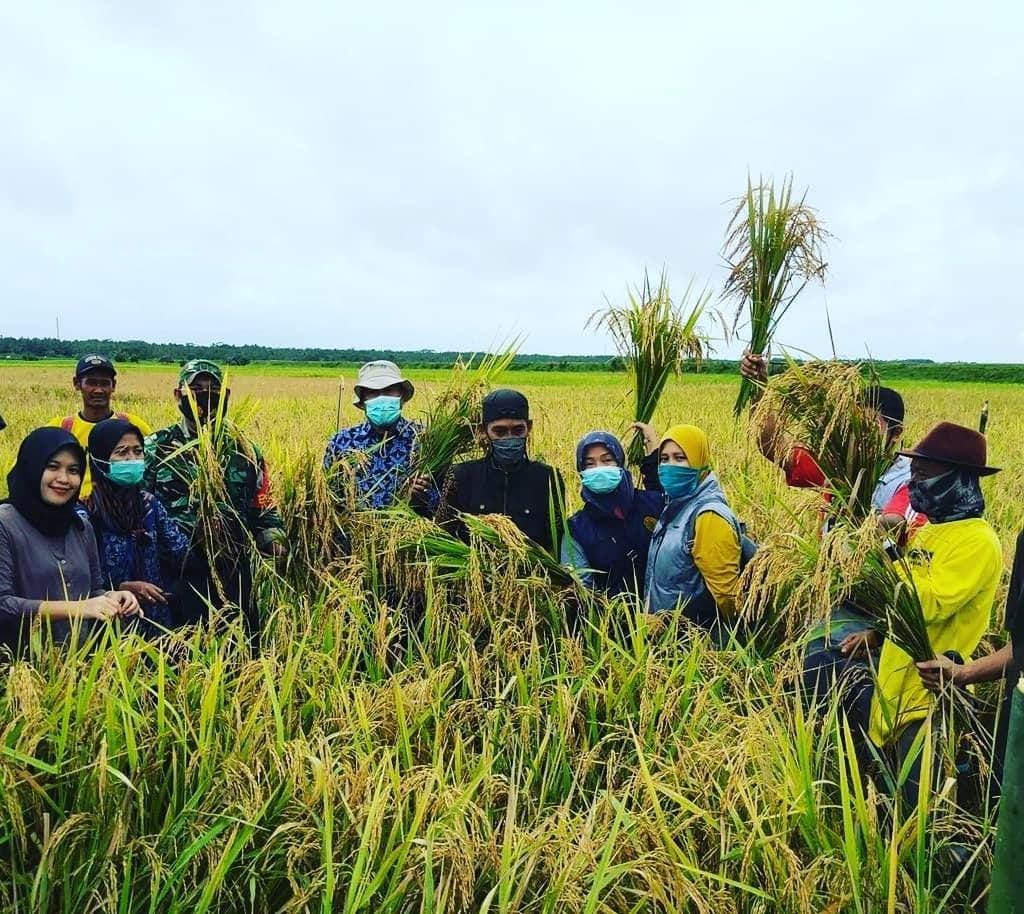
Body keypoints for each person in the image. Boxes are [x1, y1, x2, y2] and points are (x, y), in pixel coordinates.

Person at [852, 423, 1002, 805]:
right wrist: (877, 634)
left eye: (923, 474)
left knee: (919, 810)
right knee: (886, 802)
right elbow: (901, 595)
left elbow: (925, 604)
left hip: (931, 697)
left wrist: (882, 569)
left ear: (957, 479)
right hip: (894, 687)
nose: (912, 483)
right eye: (913, 472)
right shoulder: (927, 531)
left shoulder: (978, 542)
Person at [144, 360, 286, 644]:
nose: (204, 396)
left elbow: (263, 505)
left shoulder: (244, 449)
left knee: (238, 646)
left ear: (226, 396)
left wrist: (273, 539)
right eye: (195, 388)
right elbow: (139, 508)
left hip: (231, 566)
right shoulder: (156, 447)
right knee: (179, 648)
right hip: (175, 569)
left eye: (213, 389)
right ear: (178, 395)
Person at [0, 427, 140, 653]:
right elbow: (3, 604)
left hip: (78, 664)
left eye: (73, 470)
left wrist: (113, 597)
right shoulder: (5, 523)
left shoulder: (80, 526)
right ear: (32, 466)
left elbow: (93, 591)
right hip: (19, 664)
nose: (64, 479)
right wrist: (78, 608)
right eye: (53, 467)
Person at [80, 418, 189, 639]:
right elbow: (76, 576)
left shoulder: (149, 505)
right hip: (108, 620)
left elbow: (180, 552)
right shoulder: (85, 514)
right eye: (121, 453)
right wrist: (121, 586)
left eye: (138, 451)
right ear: (100, 459)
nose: (132, 459)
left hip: (155, 618)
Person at [644, 424, 746, 638]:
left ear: (700, 462)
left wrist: (675, 629)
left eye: (680, 458)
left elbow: (726, 598)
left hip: (692, 642)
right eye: (665, 459)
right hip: (666, 639)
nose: (670, 466)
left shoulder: (709, 517)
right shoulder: (677, 505)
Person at [438, 389, 565, 555]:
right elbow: (444, 535)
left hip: (532, 569)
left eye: (518, 430)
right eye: (500, 431)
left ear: (529, 428)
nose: (509, 438)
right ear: (483, 431)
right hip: (474, 568)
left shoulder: (548, 478)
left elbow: (557, 542)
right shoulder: (460, 476)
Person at [561, 425, 663, 597]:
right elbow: (580, 590)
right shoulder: (576, 529)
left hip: (665, 609)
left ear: (621, 463)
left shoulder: (651, 503)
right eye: (590, 464)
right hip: (613, 612)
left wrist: (653, 452)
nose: (599, 468)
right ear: (581, 471)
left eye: (607, 460)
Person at [323, 360, 436, 513]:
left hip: (412, 526)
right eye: (372, 392)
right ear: (363, 402)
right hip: (356, 527)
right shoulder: (341, 442)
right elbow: (327, 499)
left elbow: (446, 502)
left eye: (389, 390)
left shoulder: (425, 439)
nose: (382, 398)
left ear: (402, 397)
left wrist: (423, 494)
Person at [47, 355, 152, 499]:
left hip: (124, 506)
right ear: (77, 384)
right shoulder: (60, 429)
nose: (98, 390)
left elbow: (154, 469)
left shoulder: (134, 426)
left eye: (104, 383)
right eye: (91, 383)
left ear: (113, 386)